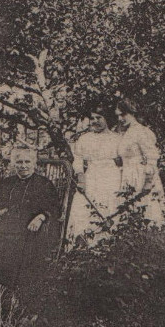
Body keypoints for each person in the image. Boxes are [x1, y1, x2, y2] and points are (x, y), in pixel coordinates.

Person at [0, 147, 61, 301]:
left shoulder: (44, 184)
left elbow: (53, 206)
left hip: (31, 226)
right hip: (8, 223)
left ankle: (12, 291)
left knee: (16, 245)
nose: (23, 165)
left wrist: (41, 217)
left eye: (27, 162)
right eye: (19, 162)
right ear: (14, 164)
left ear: (34, 164)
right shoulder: (9, 182)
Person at [67, 105, 122, 245]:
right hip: (91, 177)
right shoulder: (85, 139)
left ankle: (107, 247)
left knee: (109, 210)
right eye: (92, 118)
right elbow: (78, 160)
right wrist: (81, 178)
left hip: (111, 178)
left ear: (107, 119)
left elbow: (124, 162)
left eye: (99, 118)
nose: (95, 121)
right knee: (84, 210)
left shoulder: (118, 139)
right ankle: (83, 247)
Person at [115, 98, 165, 227]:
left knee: (147, 212)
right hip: (128, 176)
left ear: (132, 112)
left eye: (123, 114)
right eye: (118, 116)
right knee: (131, 214)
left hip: (141, 176)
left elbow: (152, 158)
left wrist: (148, 182)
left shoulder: (142, 131)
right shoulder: (126, 133)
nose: (120, 119)